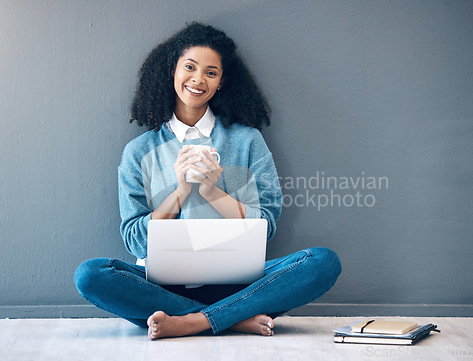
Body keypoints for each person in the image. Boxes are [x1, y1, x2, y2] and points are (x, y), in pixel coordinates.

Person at [74, 22, 341, 340]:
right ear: (172, 70)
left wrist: (213, 192)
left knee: (322, 262)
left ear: (220, 83)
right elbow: (134, 241)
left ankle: (191, 322)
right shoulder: (139, 152)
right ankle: (231, 319)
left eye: (211, 73)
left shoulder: (247, 142)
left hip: (239, 282)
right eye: (190, 67)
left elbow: (265, 226)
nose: (198, 80)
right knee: (91, 275)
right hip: (163, 286)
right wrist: (181, 193)